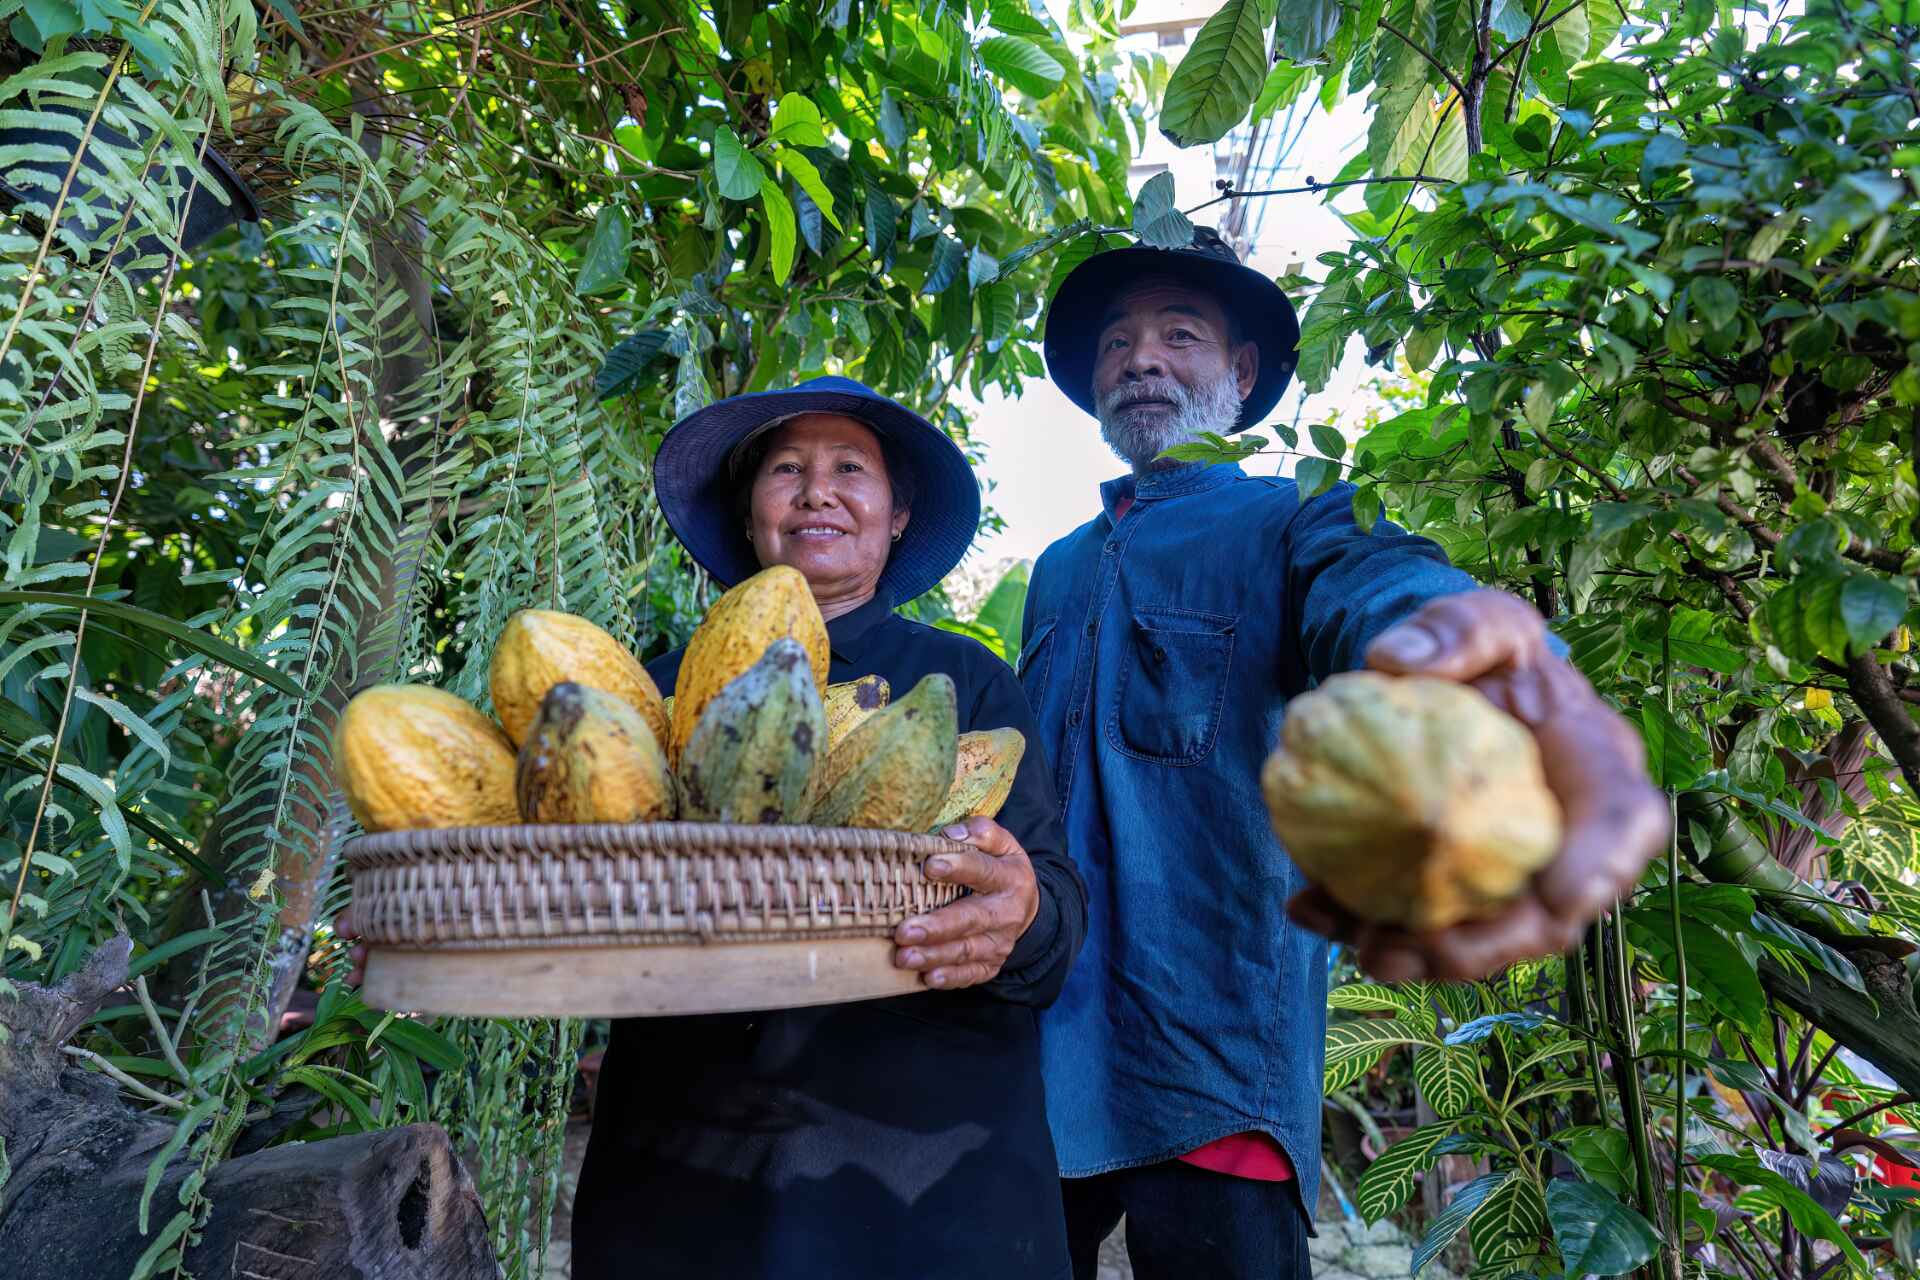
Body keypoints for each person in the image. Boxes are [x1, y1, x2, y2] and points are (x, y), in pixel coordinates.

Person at [1022, 228, 1669, 1279]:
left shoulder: (1295, 518)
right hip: (1039, 1053)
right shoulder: (1055, 571)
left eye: (1179, 335)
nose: (1141, 359)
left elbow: (1381, 586)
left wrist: (1496, 672)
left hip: (1212, 1053)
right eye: (1117, 343)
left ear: (1240, 375)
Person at [568, 376, 1087, 1279]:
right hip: (688, 1175)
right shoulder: (654, 693)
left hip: (929, 1177)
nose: (816, 491)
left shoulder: (967, 686)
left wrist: (1023, 910)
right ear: (748, 516)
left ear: (896, 518)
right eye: (785, 470)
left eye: (850, 469)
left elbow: (1052, 916)